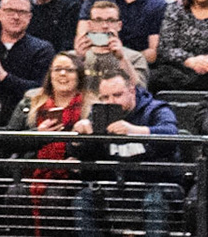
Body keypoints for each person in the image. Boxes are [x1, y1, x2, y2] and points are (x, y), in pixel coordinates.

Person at [69, 67, 179, 237]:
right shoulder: (99, 115)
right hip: (115, 186)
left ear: (131, 91)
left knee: (155, 201)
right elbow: (83, 153)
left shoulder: (156, 109)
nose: (111, 102)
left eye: (117, 95)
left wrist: (135, 130)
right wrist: (78, 139)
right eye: (105, 97)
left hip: (157, 184)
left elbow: (171, 134)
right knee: (82, 200)